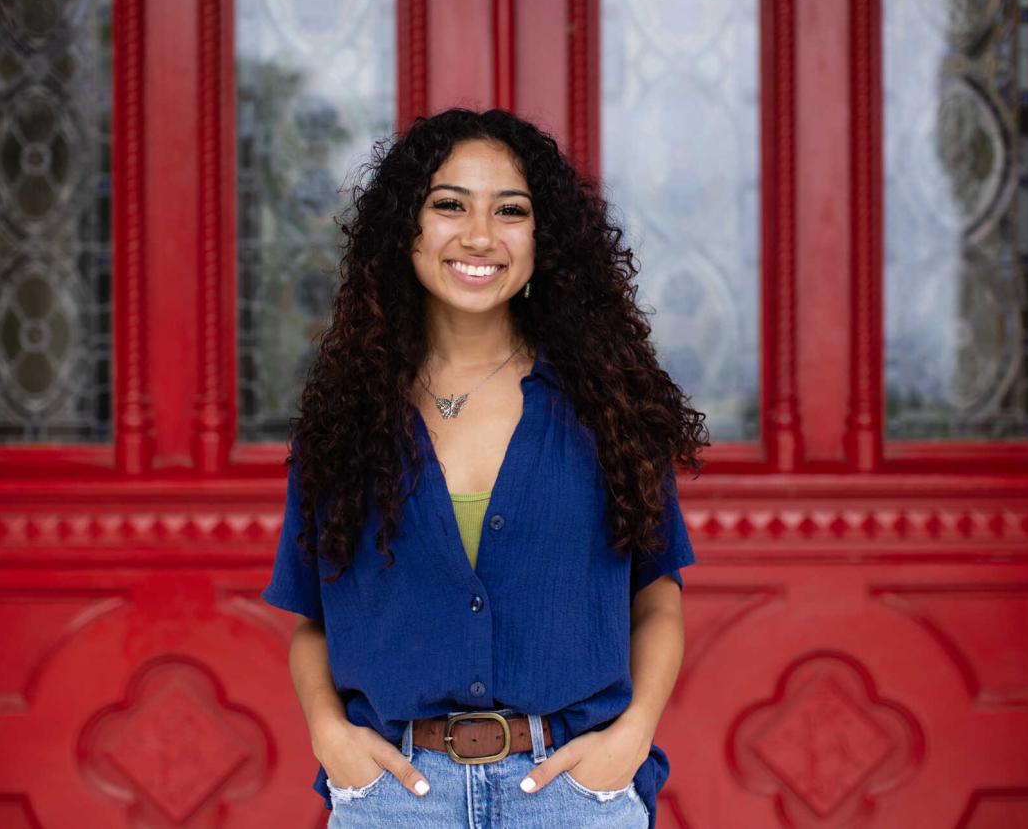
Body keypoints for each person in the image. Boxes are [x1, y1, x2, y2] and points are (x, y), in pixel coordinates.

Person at [262, 107, 709, 827]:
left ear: (545, 239)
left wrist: (631, 739)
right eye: (448, 206)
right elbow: (311, 620)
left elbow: (656, 600)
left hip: (574, 796)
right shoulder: (345, 419)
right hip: (397, 801)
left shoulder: (608, 406)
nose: (479, 236)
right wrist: (329, 736)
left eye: (511, 211)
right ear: (402, 229)